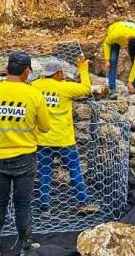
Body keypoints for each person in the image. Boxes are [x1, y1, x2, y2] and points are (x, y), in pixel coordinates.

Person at [0, 51, 50, 256]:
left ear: (7, 69)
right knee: (23, 204)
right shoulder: (34, 95)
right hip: (25, 159)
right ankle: (25, 246)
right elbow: (45, 127)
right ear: (27, 72)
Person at [31, 57, 98, 215]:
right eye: (61, 73)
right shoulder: (65, 88)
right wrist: (83, 68)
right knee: (74, 170)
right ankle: (83, 203)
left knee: (44, 172)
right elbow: (86, 88)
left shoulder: (34, 86)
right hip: (63, 139)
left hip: (42, 139)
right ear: (58, 73)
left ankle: (44, 207)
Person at [102, 21, 135, 94]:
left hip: (133, 31)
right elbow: (107, 43)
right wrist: (107, 59)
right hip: (117, 29)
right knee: (113, 60)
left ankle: (133, 89)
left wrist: (130, 81)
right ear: (127, 46)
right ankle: (112, 89)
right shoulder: (116, 35)